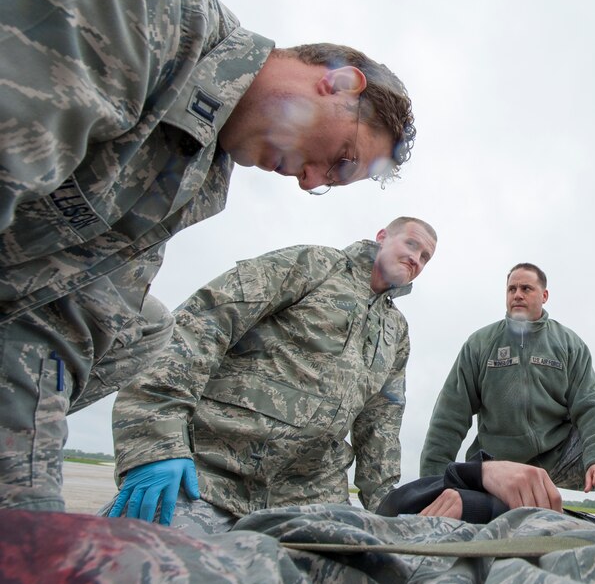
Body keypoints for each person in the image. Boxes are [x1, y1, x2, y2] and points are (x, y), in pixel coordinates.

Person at [0, 0, 416, 513]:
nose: (309, 180)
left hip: (295, 495)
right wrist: (157, 441)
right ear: (339, 83)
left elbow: (68, 317)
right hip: (218, 472)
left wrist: (24, 505)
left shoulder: (194, 173)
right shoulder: (147, 3)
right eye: (341, 158)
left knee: (137, 327)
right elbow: (208, 323)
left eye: (331, 183)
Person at [105, 217, 436, 532]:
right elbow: (203, 323)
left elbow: (381, 424)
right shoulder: (314, 265)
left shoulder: (396, 331)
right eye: (411, 244)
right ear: (382, 237)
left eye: (425, 258)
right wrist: (156, 442)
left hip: (308, 501)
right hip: (208, 477)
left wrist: (386, 506)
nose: (416, 259)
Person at [420, 263, 595, 547]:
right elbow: (449, 417)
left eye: (526, 288)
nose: (517, 295)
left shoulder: (568, 344)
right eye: (512, 289)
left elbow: (592, 404)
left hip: (557, 454)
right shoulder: (480, 344)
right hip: (499, 462)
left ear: (544, 295)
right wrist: (431, 486)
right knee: (471, 518)